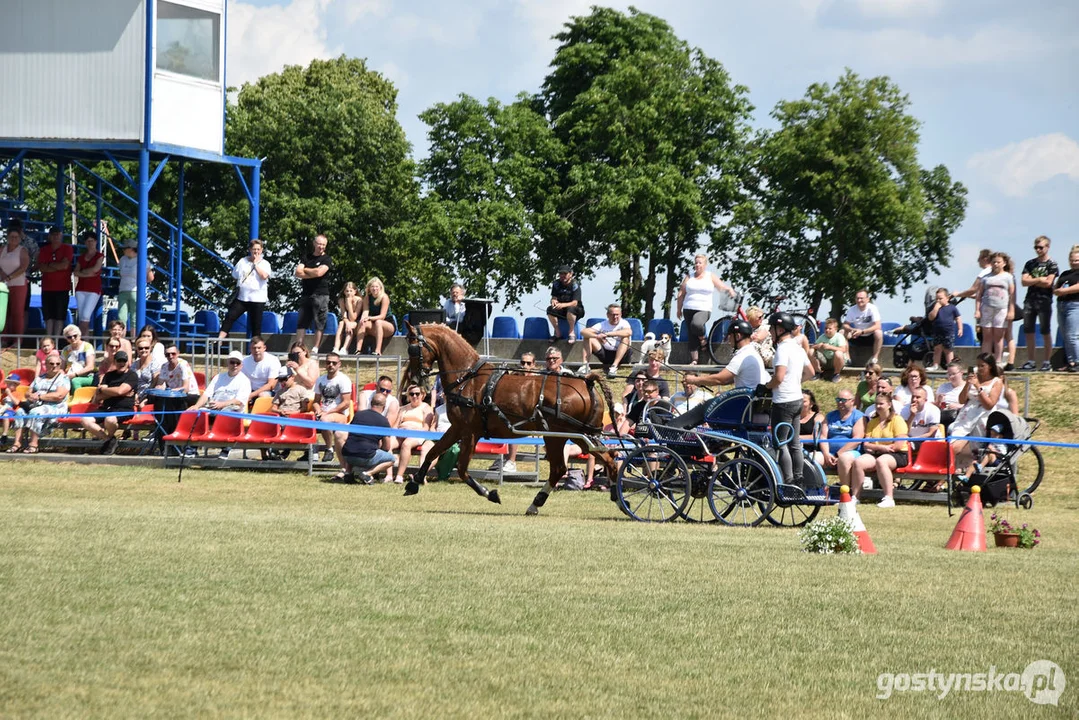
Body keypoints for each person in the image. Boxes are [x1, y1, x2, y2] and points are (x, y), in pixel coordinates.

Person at [765, 312, 813, 488]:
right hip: (797, 399)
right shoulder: (798, 348)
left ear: (779, 329)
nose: (770, 332)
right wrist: (795, 382)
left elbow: (778, 377)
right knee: (795, 443)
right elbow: (811, 372)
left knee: (781, 443)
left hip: (783, 401)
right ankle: (799, 478)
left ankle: (788, 480)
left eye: (771, 328)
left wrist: (767, 386)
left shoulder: (783, 349)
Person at [841, 393, 908, 507]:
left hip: (897, 454)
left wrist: (880, 448)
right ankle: (855, 497)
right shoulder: (873, 421)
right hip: (877, 452)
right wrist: (880, 447)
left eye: (881, 404)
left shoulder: (898, 420)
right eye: (876, 404)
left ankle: (889, 498)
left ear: (889, 405)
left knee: (882, 461)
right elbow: (866, 444)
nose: (878, 406)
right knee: (859, 462)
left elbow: (897, 445)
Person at [676, 253, 737, 364]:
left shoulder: (710, 276)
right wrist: (678, 309)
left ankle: (703, 339)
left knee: (697, 324)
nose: (697, 265)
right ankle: (695, 359)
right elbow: (681, 292)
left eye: (700, 263)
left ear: (705, 264)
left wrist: (730, 290)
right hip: (688, 308)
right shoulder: (689, 276)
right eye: (696, 263)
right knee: (691, 333)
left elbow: (721, 286)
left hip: (704, 308)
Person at [948, 353, 1004, 471]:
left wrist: (978, 386)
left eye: (982, 366)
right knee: (953, 447)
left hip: (983, 418)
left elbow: (989, 404)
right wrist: (968, 384)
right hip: (967, 416)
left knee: (976, 451)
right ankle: (941, 477)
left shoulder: (996, 382)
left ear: (990, 366)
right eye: (977, 366)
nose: (979, 369)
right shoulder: (973, 378)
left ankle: (963, 473)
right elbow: (962, 400)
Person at [79, 350, 137, 455]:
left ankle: (109, 440)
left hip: (124, 409)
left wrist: (105, 390)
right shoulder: (109, 375)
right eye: (119, 361)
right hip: (106, 407)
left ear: (128, 362)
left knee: (109, 419)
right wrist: (118, 392)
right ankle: (109, 439)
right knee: (85, 419)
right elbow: (99, 396)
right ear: (114, 361)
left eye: (124, 361)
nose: (122, 363)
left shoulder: (132, 375)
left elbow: (119, 391)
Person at [8, 355, 70, 454]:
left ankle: (33, 445)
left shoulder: (63, 379)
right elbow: (27, 393)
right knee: (20, 412)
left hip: (56, 407)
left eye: (58, 364)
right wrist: (31, 396)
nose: (55, 366)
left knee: (35, 412)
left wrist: (40, 396)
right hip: (37, 405)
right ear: (45, 365)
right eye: (52, 363)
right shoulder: (39, 378)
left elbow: (59, 396)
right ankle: (17, 443)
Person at [332, 391, 396, 484]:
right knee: (391, 459)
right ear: (384, 406)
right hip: (366, 456)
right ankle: (368, 473)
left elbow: (351, 435)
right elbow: (386, 447)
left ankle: (348, 473)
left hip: (347, 455)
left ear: (371, 403)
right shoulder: (384, 421)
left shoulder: (358, 415)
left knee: (353, 445)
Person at [218, 238, 271, 340]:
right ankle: (219, 340)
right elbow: (235, 275)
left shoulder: (265, 263)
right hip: (243, 297)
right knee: (230, 316)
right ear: (250, 249)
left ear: (261, 250)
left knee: (256, 326)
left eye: (258, 249)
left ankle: (256, 347)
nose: (256, 252)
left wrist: (255, 264)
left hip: (258, 299)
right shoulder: (243, 261)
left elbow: (264, 276)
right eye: (254, 249)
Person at [1019, 236, 1058, 371]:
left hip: (1044, 301)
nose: (1038, 250)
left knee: (1045, 331)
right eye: (1036, 247)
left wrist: (1033, 279)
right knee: (1029, 331)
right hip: (1030, 300)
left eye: (1041, 247)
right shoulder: (1030, 263)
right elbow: (1024, 281)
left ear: (1047, 247)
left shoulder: (1052, 264)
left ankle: (1047, 362)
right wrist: (1040, 278)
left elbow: (1049, 282)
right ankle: (1031, 361)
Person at [292, 234, 333, 352]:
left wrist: (305, 271)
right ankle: (299, 347)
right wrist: (312, 272)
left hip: (321, 294)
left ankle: (315, 348)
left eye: (324, 245)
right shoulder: (306, 257)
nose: (321, 247)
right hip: (306, 294)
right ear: (314, 244)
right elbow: (297, 272)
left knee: (319, 322)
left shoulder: (327, 259)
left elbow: (319, 272)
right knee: (302, 322)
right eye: (319, 244)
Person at [311, 351, 352, 463]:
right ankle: (309, 450)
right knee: (305, 420)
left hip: (340, 414)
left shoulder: (344, 379)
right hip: (324, 412)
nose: (331, 365)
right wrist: (318, 410)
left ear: (339, 364)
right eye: (328, 362)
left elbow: (346, 403)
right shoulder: (320, 380)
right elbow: (316, 401)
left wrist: (327, 413)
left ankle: (329, 449)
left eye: (334, 363)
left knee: (324, 420)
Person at [975, 252, 1015, 365]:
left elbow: (1012, 295)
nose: (996, 264)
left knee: (999, 336)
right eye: (994, 262)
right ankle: (985, 361)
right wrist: (977, 310)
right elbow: (979, 295)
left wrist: (1011, 310)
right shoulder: (985, 278)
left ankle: (997, 361)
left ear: (1004, 263)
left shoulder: (1008, 277)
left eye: (998, 262)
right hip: (987, 308)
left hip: (1001, 309)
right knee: (987, 335)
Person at [392, 384, 436, 484]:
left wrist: (413, 429)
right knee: (387, 444)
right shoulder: (403, 408)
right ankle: (389, 475)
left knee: (406, 444)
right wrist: (399, 430)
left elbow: (426, 428)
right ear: (408, 396)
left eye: (417, 393)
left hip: (418, 434)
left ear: (422, 395)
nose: (414, 396)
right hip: (401, 433)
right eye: (412, 394)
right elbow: (395, 426)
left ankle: (399, 476)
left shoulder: (426, 408)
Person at [38, 226, 74, 343]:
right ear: (49, 236)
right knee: (48, 316)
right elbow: (42, 268)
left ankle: (56, 340)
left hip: (62, 287)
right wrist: (56, 265)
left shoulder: (67, 249)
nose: (56, 237)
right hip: (47, 287)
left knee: (60, 315)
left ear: (61, 236)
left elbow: (64, 265)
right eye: (53, 235)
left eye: (58, 235)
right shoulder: (44, 250)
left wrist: (50, 264)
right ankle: (48, 340)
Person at [579, 303, 632, 377]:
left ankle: (614, 366)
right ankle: (585, 365)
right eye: (613, 314)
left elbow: (628, 332)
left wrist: (607, 334)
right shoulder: (602, 324)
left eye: (617, 314)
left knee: (625, 338)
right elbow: (583, 332)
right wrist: (597, 336)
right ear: (608, 315)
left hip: (623, 356)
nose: (615, 317)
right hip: (606, 354)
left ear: (621, 314)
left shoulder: (624, 323)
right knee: (588, 337)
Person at [116, 238, 154, 338]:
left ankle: (134, 339)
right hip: (123, 289)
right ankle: (121, 339)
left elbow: (150, 277)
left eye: (125, 248)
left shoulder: (143, 260)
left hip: (136, 291)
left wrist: (140, 282)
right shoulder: (122, 259)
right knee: (121, 316)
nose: (123, 250)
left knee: (134, 317)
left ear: (132, 249)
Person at [0, 222, 30, 348]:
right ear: (7, 237)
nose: (14, 239)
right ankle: (4, 338)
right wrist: (3, 276)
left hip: (18, 284)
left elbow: (23, 267)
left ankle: (18, 340)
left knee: (17, 312)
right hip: (3, 284)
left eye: (16, 237)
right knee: (4, 312)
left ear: (19, 238)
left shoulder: (22, 250)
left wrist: (10, 276)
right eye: (11, 237)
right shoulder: (2, 249)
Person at [818, 390, 865, 471]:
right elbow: (823, 436)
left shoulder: (859, 416)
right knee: (814, 459)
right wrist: (826, 454)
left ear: (852, 401)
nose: (840, 402)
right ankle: (818, 484)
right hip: (829, 453)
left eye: (843, 400)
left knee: (844, 459)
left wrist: (838, 454)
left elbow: (857, 439)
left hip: (850, 452)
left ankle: (845, 484)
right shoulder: (830, 416)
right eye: (838, 400)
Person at [72, 229, 105, 336]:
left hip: (93, 289)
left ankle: (78, 339)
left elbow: (95, 269)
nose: (90, 243)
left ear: (96, 242)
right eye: (88, 241)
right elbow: (76, 272)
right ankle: (84, 342)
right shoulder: (81, 257)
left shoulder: (99, 256)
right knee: (82, 317)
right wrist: (87, 273)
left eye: (92, 241)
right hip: (81, 288)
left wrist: (83, 272)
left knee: (85, 316)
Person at [1054, 244, 1079, 372]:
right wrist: (1057, 290)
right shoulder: (1065, 273)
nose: (1074, 263)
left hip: (1075, 305)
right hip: (1062, 305)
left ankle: (1077, 360)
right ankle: (1071, 362)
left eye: (1076, 260)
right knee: (1066, 335)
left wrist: (1065, 291)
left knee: (1072, 335)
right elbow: (1056, 286)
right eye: (1072, 260)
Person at [842, 289, 883, 365]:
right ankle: (847, 358)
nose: (859, 300)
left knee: (879, 333)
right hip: (856, 336)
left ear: (867, 299)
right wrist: (852, 329)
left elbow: (878, 325)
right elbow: (845, 324)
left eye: (861, 298)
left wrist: (862, 331)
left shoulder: (873, 308)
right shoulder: (852, 309)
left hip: (870, 336)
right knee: (842, 332)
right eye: (857, 298)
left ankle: (875, 358)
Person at [925, 287, 962, 371]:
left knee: (948, 350)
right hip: (937, 332)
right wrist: (936, 308)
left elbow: (958, 318)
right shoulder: (935, 307)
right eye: (937, 299)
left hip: (948, 332)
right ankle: (935, 365)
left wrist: (960, 328)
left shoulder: (952, 308)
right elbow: (930, 318)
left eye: (940, 298)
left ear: (947, 298)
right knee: (937, 349)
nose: (938, 300)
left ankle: (950, 366)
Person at [546, 265, 584, 343]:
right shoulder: (556, 283)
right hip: (561, 309)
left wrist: (563, 305)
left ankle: (571, 333)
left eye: (565, 274)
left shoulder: (575, 284)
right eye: (561, 274)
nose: (563, 276)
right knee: (550, 309)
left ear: (570, 274)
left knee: (571, 309)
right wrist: (553, 300)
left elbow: (575, 303)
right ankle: (558, 333)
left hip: (576, 310)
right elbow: (554, 296)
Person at [358, 277, 395, 356]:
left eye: (376, 286)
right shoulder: (367, 297)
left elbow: (382, 316)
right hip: (374, 324)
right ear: (369, 288)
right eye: (372, 287)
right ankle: (358, 350)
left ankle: (378, 351)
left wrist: (369, 318)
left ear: (380, 288)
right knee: (362, 323)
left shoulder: (384, 297)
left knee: (378, 322)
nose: (374, 288)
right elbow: (365, 311)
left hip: (387, 324)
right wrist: (363, 319)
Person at [241, 336, 281, 403]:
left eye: (259, 348)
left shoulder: (273, 360)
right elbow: (241, 380)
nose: (256, 350)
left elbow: (271, 385)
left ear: (264, 348)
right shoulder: (245, 361)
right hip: (250, 390)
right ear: (250, 349)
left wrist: (252, 395)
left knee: (262, 395)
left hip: (268, 391)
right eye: (254, 348)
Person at [61, 324, 96, 391]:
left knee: (75, 381)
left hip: (87, 376)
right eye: (69, 337)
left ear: (79, 335)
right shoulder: (65, 350)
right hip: (69, 375)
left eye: (75, 336)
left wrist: (75, 374)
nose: (72, 338)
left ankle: (78, 399)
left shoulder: (87, 346)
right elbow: (62, 368)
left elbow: (90, 367)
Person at [934, 361, 966, 427]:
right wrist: (939, 401)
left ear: (961, 373)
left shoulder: (967, 387)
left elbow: (972, 406)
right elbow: (936, 406)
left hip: (960, 417)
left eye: (954, 374)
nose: (951, 377)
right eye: (949, 374)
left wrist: (958, 406)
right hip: (943, 416)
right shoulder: (943, 387)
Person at [333, 282, 362, 354]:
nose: (349, 293)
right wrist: (347, 323)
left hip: (357, 321)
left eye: (351, 291)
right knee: (341, 323)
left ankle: (344, 348)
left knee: (350, 326)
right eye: (347, 291)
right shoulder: (342, 300)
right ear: (344, 292)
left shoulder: (359, 300)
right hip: (347, 320)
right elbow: (344, 315)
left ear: (355, 291)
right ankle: (336, 348)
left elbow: (353, 318)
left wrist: (349, 304)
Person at [799, 389, 824, 460]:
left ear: (811, 404)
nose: (800, 403)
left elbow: (815, 438)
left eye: (804, 401)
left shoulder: (818, 417)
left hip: (811, 452)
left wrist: (795, 438)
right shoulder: (792, 417)